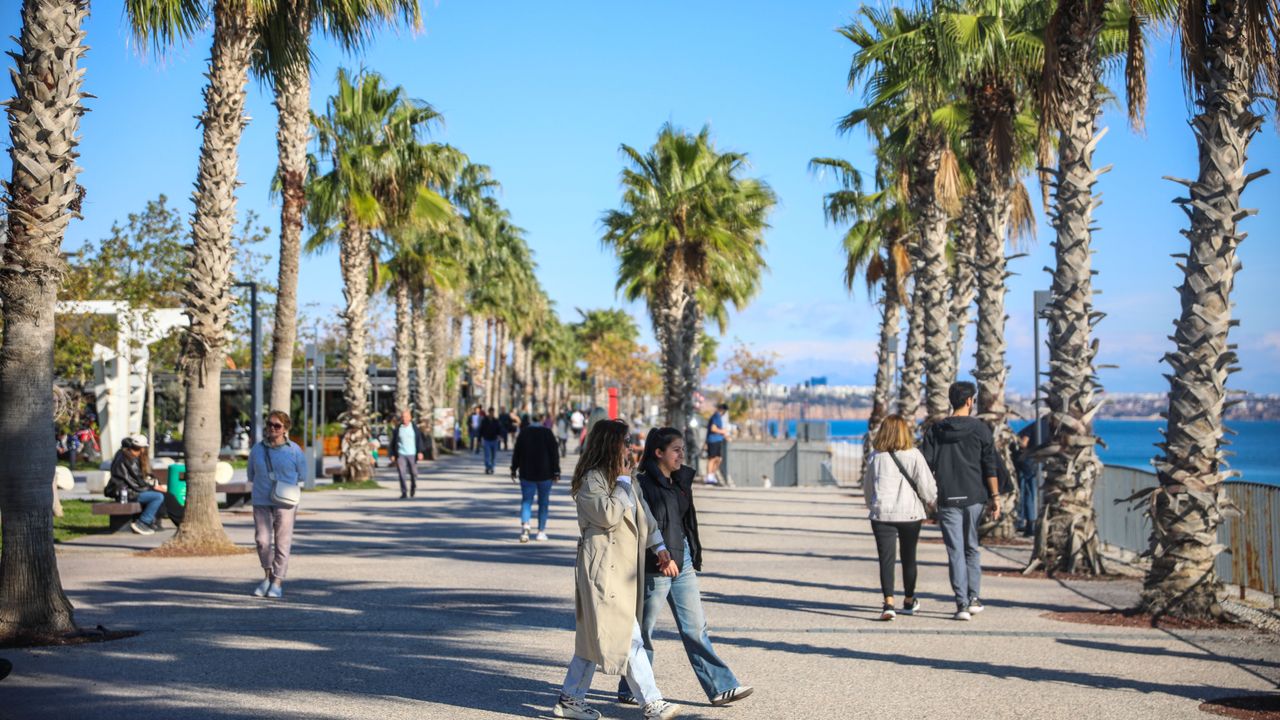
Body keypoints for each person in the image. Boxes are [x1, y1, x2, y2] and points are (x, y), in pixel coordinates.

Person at [616, 426, 753, 708]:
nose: (682, 455)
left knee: (695, 627)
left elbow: (684, 523)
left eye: (683, 450)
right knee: (644, 630)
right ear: (659, 453)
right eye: (676, 450)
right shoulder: (643, 484)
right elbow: (644, 527)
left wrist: (690, 552)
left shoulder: (679, 481)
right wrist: (660, 556)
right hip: (655, 563)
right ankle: (631, 686)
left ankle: (721, 686)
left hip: (683, 559)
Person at [553, 420, 681, 720]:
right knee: (628, 635)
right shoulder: (592, 480)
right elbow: (608, 515)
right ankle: (652, 702)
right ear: (609, 444)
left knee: (592, 638)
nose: (629, 447)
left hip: (622, 570)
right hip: (602, 569)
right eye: (625, 441)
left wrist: (659, 547)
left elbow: (644, 516)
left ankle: (570, 699)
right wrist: (623, 483)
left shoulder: (626, 479)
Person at [921, 381, 1002, 621]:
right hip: (974, 496)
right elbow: (990, 465)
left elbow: (926, 465)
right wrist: (995, 496)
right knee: (971, 547)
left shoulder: (936, 430)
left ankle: (961, 604)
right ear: (969, 401)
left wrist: (930, 494)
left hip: (948, 496)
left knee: (955, 551)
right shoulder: (980, 429)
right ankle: (974, 598)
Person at [865, 415, 938, 621]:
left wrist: (872, 505)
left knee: (886, 559)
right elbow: (926, 485)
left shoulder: (876, 457)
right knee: (909, 556)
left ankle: (888, 603)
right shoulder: (914, 455)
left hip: (882, 513)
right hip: (910, 513)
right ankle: (908, 599)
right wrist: (933, 502)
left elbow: (868, 487)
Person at [247, 410, 308, 599]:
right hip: (261, 500)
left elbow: (303, 475)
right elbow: (251, 475)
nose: (272, 428)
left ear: (285, 429)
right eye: (270, 424)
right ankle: (267, 576)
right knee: (262, 540)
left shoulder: (294, 450)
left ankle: (277, 582)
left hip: (286, 501)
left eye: (277, 425)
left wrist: (284, 482)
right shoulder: (257, 449)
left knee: (282, 542)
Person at [510, 412, 560, 542]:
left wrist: (514, 469)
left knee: (526, 501)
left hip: (526, 472)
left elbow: (517, 452)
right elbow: (554, 453)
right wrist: (556, 471)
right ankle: (541, 531)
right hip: (545, 474)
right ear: (542, 419)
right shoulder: (548, 433)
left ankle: (525, 525)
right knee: (543, 503)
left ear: (531, 419)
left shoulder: (524, 433)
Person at [107, 434, 167, 535]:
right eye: (142, 449)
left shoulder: (121, 455)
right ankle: (142, 522)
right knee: (158, 496)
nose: (142, 451)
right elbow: (135, 482)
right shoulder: (129, 460)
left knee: (158, 494)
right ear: (141, 448)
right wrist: (151, 487)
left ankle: (151, 522)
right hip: (128, 493)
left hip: (125, 491)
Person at [1013, 415, 1049, 537]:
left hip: (1026, 460)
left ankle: (1024, 522)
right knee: (1032, 492)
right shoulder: (1052, 429)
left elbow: (1023, 442)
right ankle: (1030, 523)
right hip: (1039, 461)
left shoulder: (1035, 425)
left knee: (1026, 491)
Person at [390, 409, 429, 499]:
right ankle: (404, 492)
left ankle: (413, 487)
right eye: (403, 417)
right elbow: (393, 442)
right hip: (401, 454)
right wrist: (392, 454)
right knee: (401, 473)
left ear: (410, 418)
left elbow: (419, 441)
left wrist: (420, 452)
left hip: (412, 454)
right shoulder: (398, 429)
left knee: (413, 473)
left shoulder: (414, 429)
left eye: (406, 417)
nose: (404, 419)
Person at [704, 403, 730, 485]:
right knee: (712, 459)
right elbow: (713, 428)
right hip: (713, 440)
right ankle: (709, 477)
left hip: (717, 440)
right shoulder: (716, 416)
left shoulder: (718, 417)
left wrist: (725, 436)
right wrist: (723, 431)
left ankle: (712, 475)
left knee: (718, 459)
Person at [479, 408, 503, 474]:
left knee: (493, 456)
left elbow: (499, 429)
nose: (491, 414)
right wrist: (479, 439)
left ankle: (492, 467)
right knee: (487, 455)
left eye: (492, 412)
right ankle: (488, 467)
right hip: (486, 440)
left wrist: (500, 436)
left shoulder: (496, 421)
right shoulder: (484, 421)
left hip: (494, 440)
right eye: (490, 412)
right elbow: (481, 430)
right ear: (488, 412)